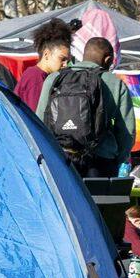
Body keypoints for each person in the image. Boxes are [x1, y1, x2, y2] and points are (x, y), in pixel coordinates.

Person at [36, 36, 135, 178]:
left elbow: (40, 121)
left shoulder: (54, 79)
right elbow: (127, 131)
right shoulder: (115, 83)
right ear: (107, 59)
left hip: (61, 158)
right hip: (101, 160)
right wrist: (118, 159)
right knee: (98, 201)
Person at [12, 18, 75, 112]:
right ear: (46, 54)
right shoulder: (36, 77)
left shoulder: (41, 76)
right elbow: (36, 117)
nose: (65, 64)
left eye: (67, 60)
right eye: (62, 59)